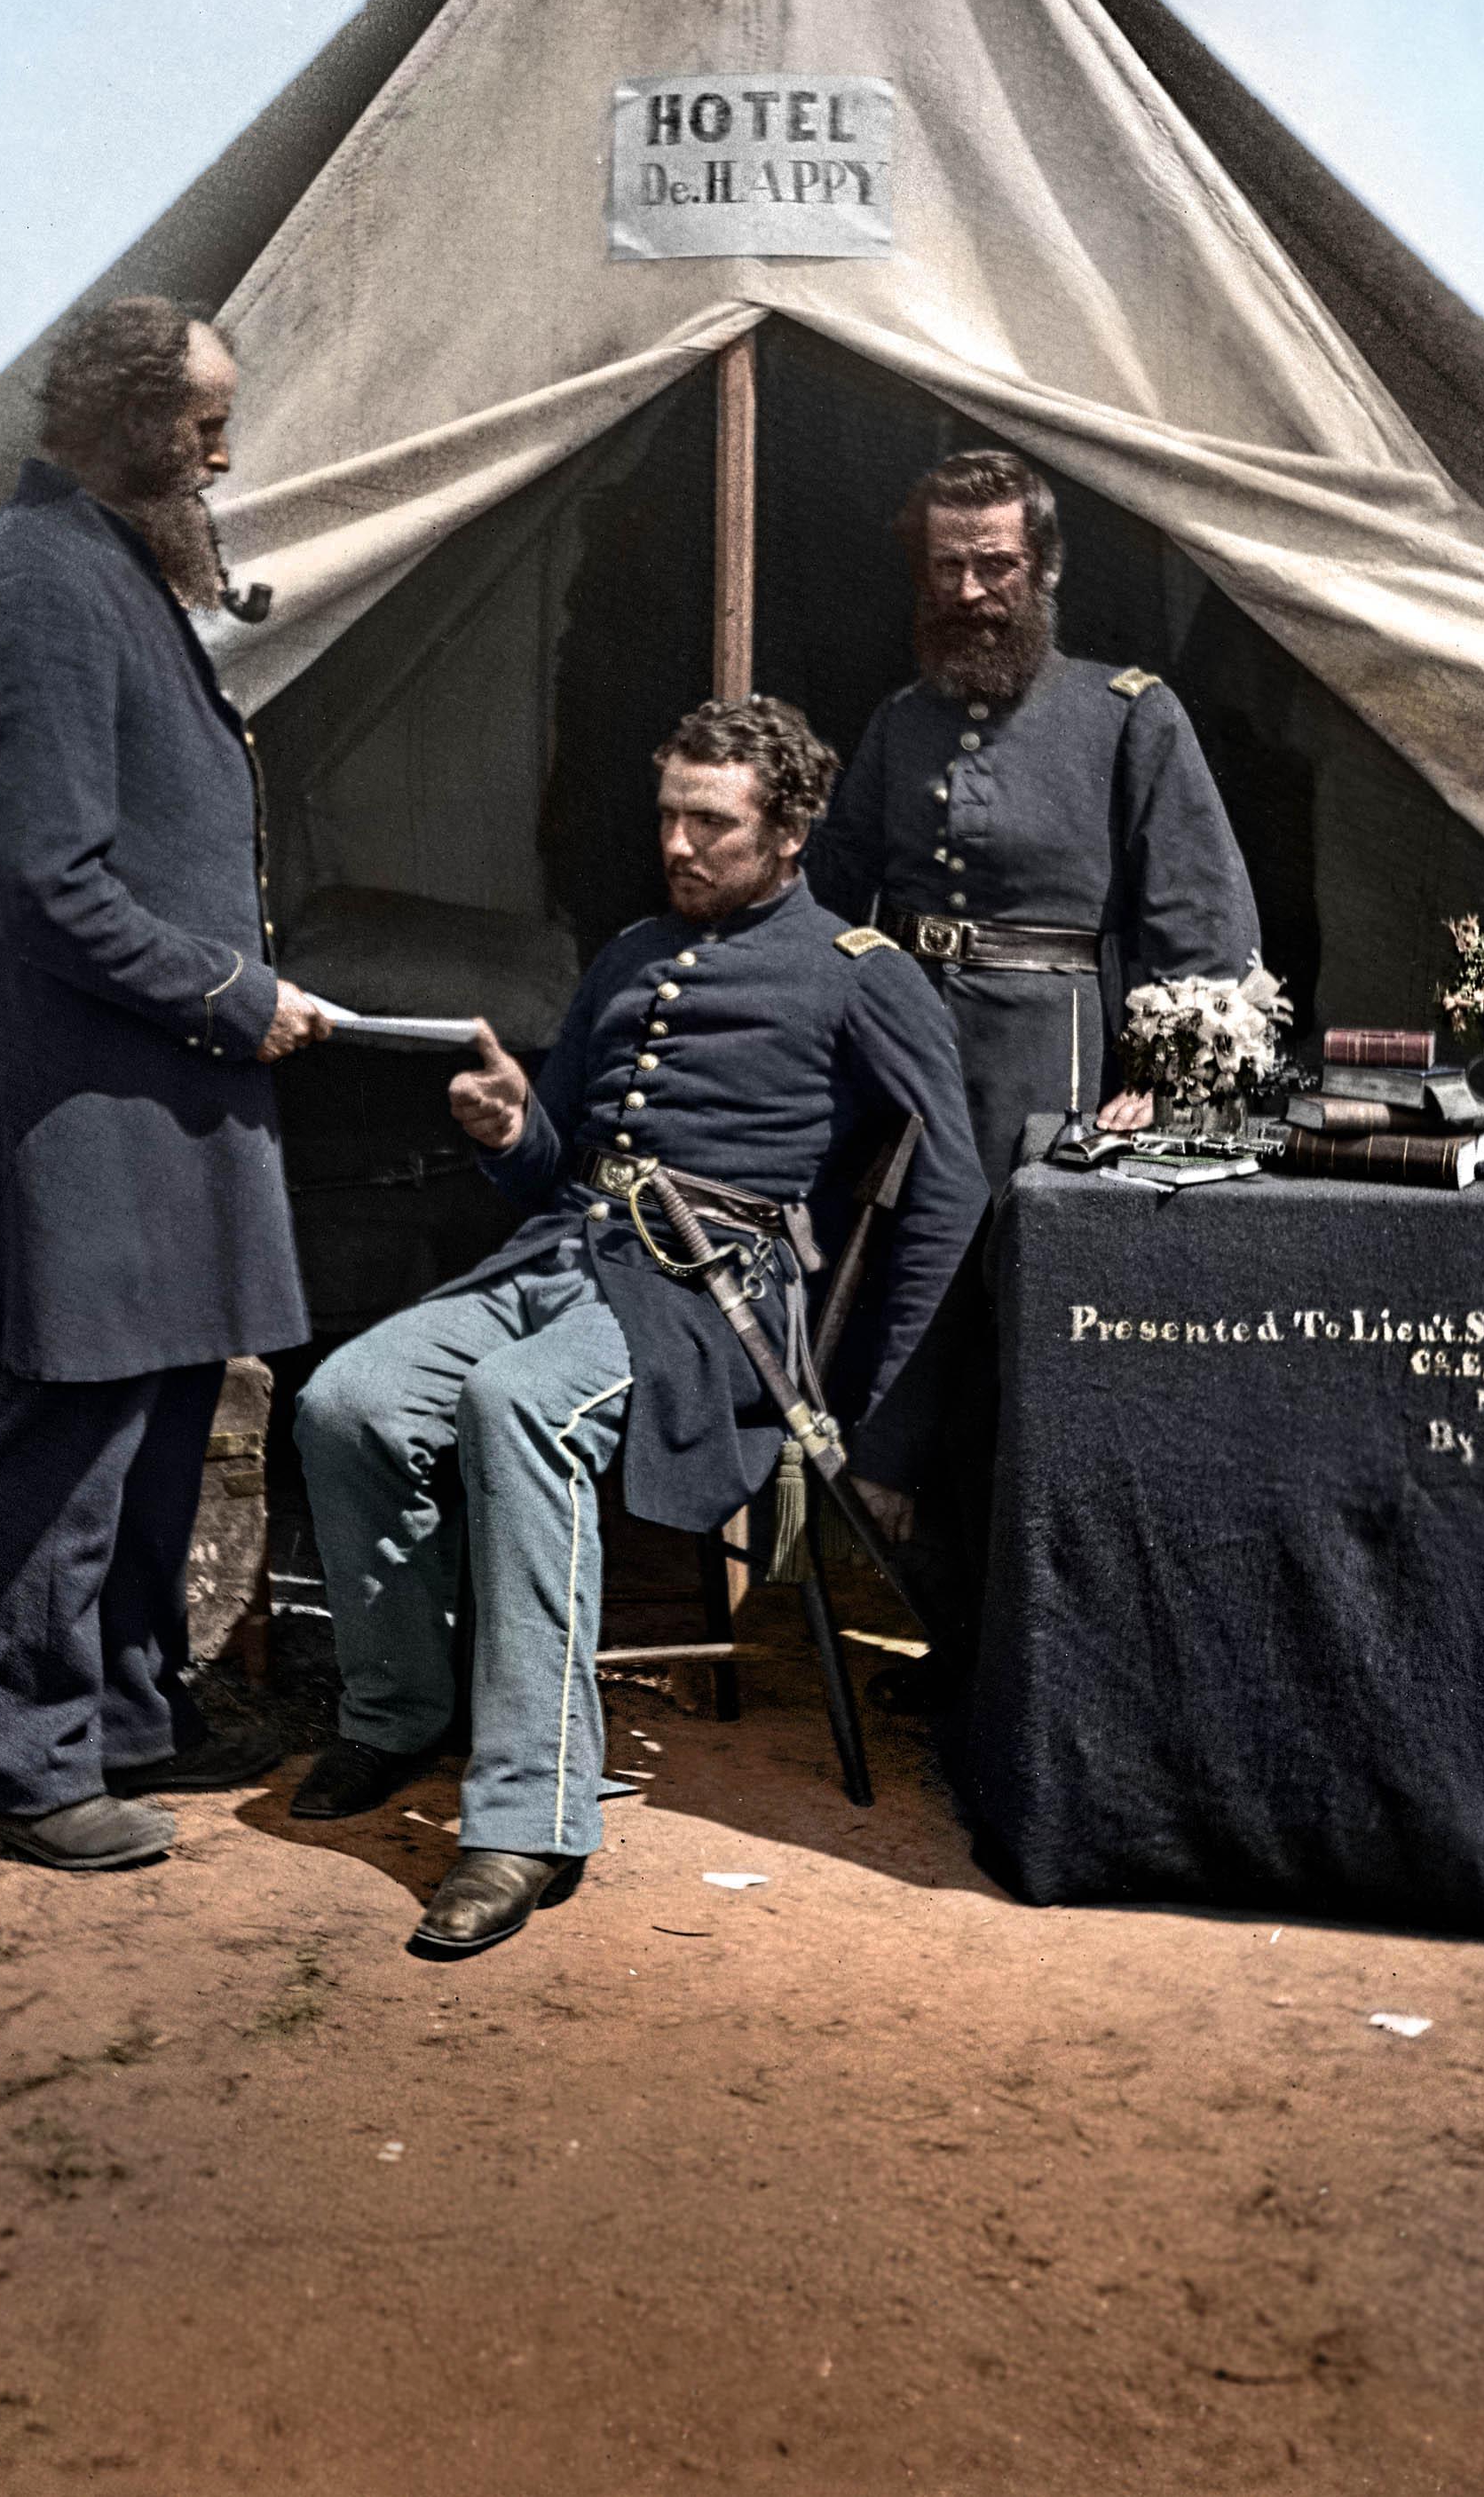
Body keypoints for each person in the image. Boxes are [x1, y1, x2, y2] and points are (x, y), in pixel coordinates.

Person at [289, 696, 985, 1960]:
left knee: (517, 1404)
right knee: (347, 1398)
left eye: (708, 821)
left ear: (787, 835)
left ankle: (528, 1814)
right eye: (667, 812)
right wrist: (511, 1129)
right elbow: (558, 1164)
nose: (677, 843)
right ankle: (398, 1711)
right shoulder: (624, 952)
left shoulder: (859, 975)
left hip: (710, 1297)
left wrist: (881, 1412)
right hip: (560, 1258)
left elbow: (948, 1193)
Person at [0, 295, 330, 1876]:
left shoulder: (101, 562)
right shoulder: (45, 584)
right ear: (127, 420)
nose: (221, 448)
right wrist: (231, 993)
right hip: (89, 1093)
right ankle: (32, 1767)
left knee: (163, 1408)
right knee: (63, 1432)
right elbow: (50, 889)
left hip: (154, 1086)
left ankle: (132, 1710)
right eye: (203, 420)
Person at [803, 446, 1260, 1189]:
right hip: (905, 1043)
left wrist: (1162, 1081)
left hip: (1055, 1056)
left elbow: (1203, 917)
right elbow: (835, 886)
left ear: (1044, 567)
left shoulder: (1128, 714)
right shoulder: (901, 721)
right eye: (946, 567)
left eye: (995, 565)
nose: (968, 589)